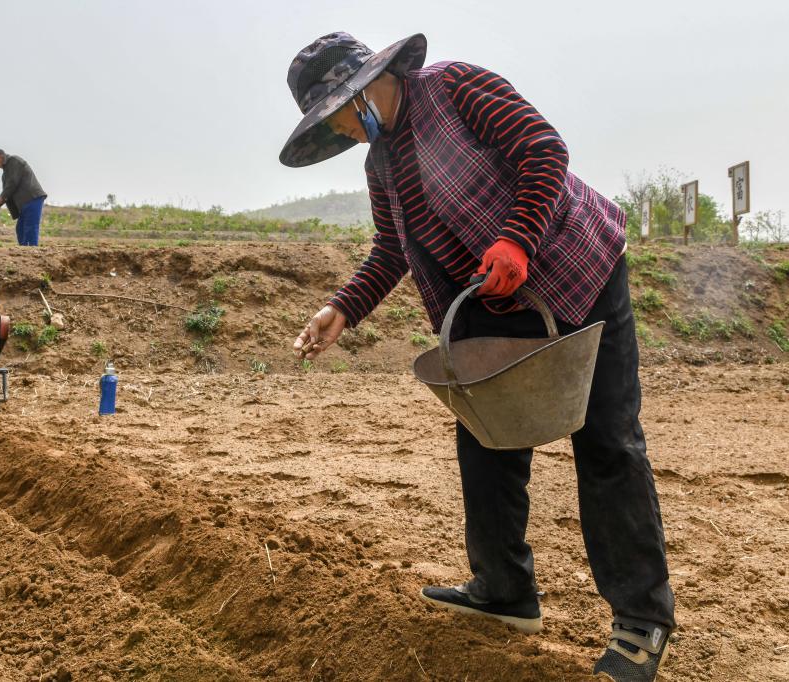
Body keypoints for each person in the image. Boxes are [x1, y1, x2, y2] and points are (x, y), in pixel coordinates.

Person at [280, 32, 675, 681]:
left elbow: (541, 151)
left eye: (346, 108)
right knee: (485, 439)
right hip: (498, 302)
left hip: (578, 270)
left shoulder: (455, 87)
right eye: (334, 122)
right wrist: (342, 308)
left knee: (607, 443)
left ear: (372, 79)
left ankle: (641, 620)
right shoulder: (379, 163)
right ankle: (504, 591)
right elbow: (390, 250)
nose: (349, 127)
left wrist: (516, 238)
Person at [0, 148, 47, 246]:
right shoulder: (5, 174)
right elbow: (6, 194)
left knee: (30, 227)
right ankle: (24, 251)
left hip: (32, 198)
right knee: (20, 229)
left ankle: (31, 250)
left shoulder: (14, 161)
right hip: (23, 203)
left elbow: (12, 184)